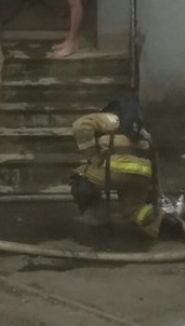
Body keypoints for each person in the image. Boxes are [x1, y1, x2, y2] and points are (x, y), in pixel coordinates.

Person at [69, 100, 162, 238]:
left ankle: (99, 220)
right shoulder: (142, 130)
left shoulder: (110, 118)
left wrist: (92, 154)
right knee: (135, 210)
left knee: (79, 177)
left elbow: (80, 125)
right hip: (143, 174)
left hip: (114, 170)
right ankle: (158, 225)